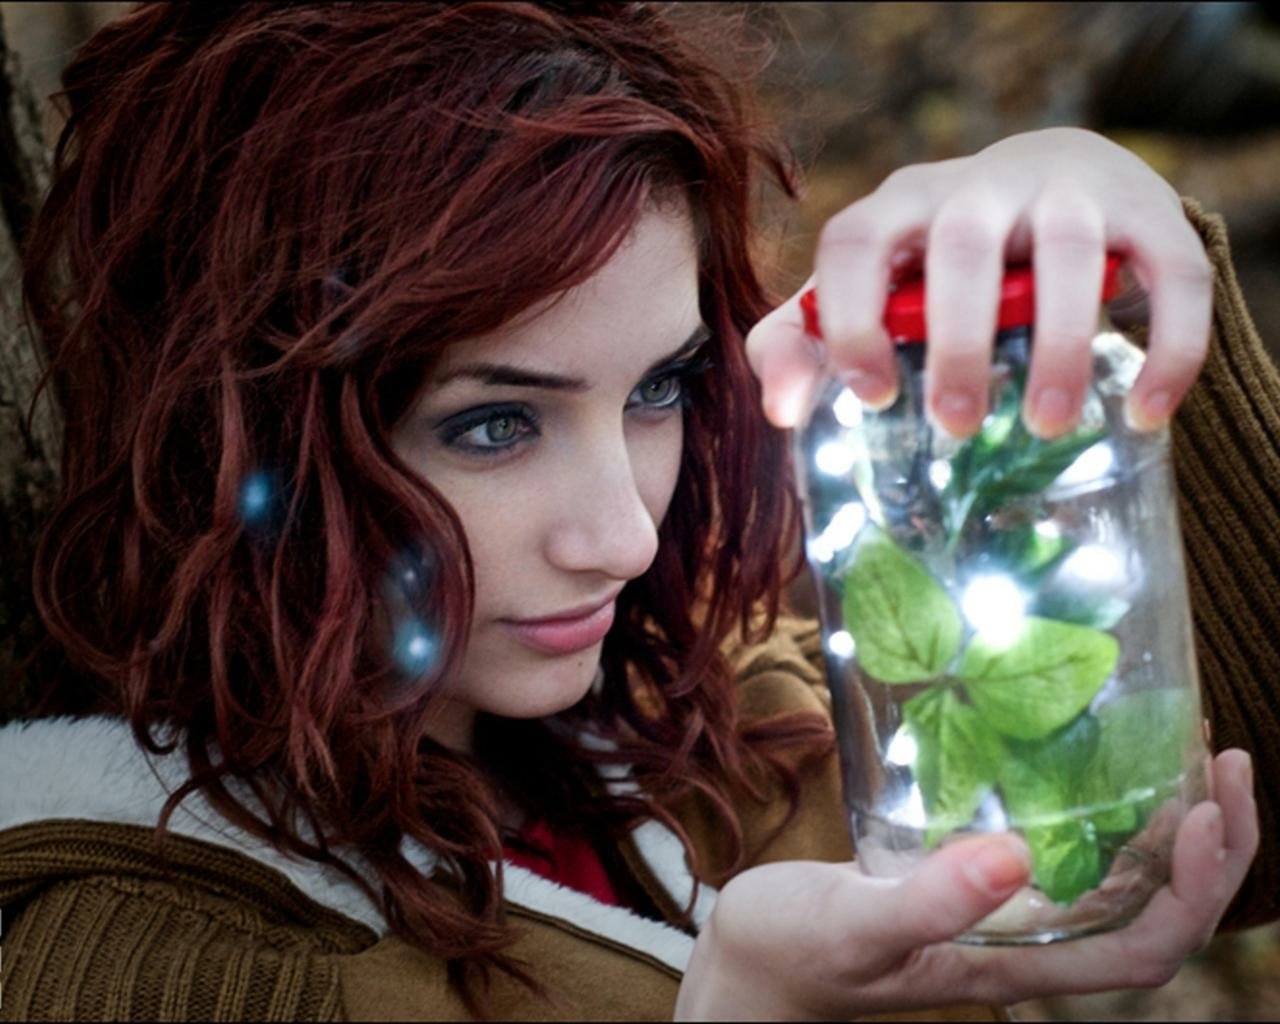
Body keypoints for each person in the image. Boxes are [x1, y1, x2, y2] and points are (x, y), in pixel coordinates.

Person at [0, 4, 1271, 1020]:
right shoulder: (158, 971)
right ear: (240, 436)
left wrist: (1113, 270)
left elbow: (1233, 832)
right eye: (493, 423)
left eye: (658, 388)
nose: (623, 537)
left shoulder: (731, 724)